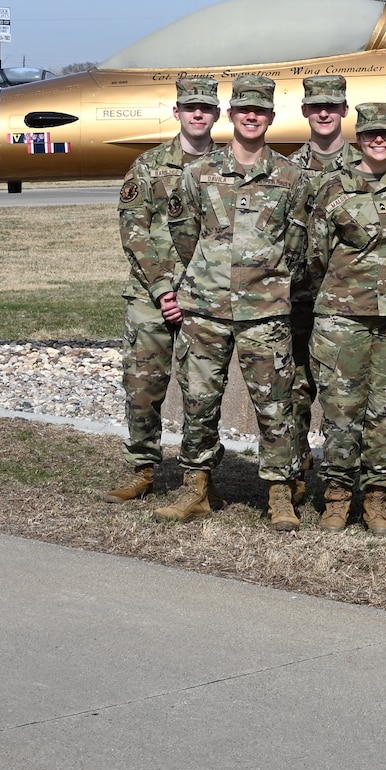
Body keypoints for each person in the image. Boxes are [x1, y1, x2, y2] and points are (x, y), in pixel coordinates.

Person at [153, 75, 310, 530]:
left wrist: (270, 281)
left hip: (265, 312)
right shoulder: (198, 174)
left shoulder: (291, 177)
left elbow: (298, 243)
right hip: (205, 309)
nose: (252, 117)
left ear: (270, 118)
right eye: (244, 110)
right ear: (232, 115)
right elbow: (185, 237)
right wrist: (207, 276)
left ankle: (280, 494)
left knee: (274, 404)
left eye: (260, 111)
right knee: (199, 400)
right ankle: (196, 488)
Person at [305, 101, 386, 533]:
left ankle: (377, 500)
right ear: (358, 139)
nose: (379, 140)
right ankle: (337, 498)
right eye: (371, 133)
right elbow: (314, 254)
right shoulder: (333, 188)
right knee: (340, 411)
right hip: (342, 317)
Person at [105, 75, 216, 503]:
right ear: (177, 112)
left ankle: (199, 477)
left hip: (205, 296)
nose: (198, 114)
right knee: (142, 386)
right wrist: (164, 289)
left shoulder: (225, 167)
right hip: (152, 297)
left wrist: (193, 289)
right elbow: (134, 232)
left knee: (201, 392)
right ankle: (143, 470)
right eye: (190, 108)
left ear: (216, 114)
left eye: (205, 108)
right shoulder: (148, 166)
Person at [288, 73, 354, 486]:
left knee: (342, 393)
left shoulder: (368, 167)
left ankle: (341, 478)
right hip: (296, 298)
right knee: (295, 387)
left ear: (345, 110)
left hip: (348, 303)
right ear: (305, 112)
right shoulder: (287, 170)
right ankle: (294, 472)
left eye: (332, 105)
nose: (324, 112)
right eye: (317, 106)